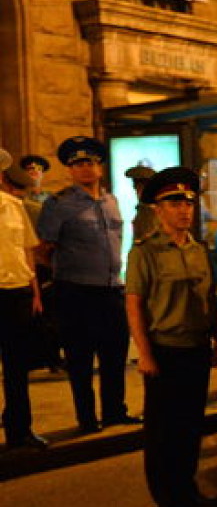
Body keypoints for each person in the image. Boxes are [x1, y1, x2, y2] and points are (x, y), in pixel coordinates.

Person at [124, 167, 217, 507]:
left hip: (196, 347)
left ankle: (187, 486)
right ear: (157, 209)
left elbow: (208, 299)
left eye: (188, 203)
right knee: (163, 428)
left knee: (190, 423)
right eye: (174, 203)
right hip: (164, 349)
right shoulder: (144, 252)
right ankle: (166, 495)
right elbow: (134, 305)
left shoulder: (199, 250)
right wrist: (144, 354)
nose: (184, 210)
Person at [36, 136, 137, 433]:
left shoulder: (111, 201)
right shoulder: (59, 204)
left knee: (114, 356)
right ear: (69, 170)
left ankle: (115, 412)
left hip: (111, 289)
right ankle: (87, 419)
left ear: (100, 168)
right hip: (76, 292)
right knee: (80, 361)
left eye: (90, 163)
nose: (85, 169)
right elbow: (43, 248)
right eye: (78, 164)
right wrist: (61, 275)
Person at [0, 147, 46, 450]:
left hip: (16, 292)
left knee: (17, 367)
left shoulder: (13, 205)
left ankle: (20, 430)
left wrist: (35, 292)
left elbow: (27, 249)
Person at [124, 164, 161, 245]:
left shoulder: (149, 211)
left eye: (139, 187)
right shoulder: (144, 209)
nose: (137, 191)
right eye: (136, 187)